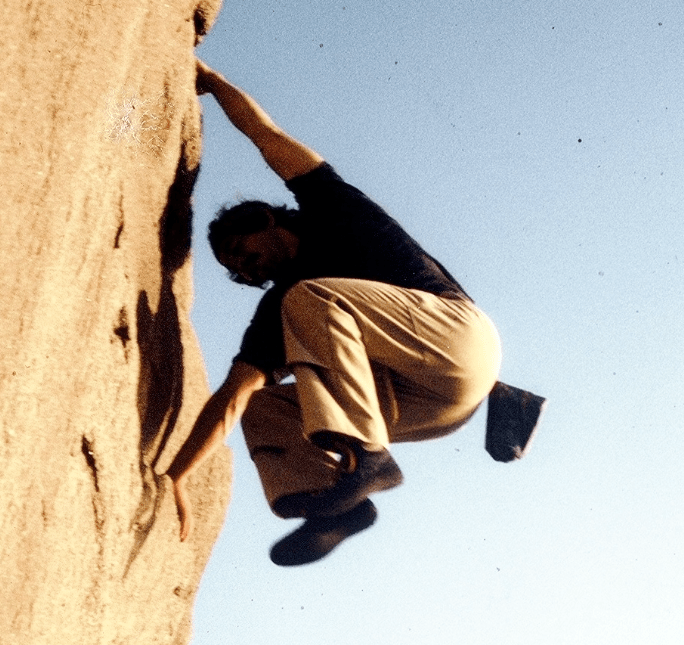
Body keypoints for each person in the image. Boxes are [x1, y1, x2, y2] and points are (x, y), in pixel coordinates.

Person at [166, 59, 544, 567]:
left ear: (264, 219)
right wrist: (177, 476)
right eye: (236, 271)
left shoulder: (331, 210)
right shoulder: (283, 307)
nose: (245, 268)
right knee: (262, 405)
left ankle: (367, 455)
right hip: (432, 407)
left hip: (459, 338)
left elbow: (265, 135)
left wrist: (213, 82)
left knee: (308, 298)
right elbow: (232, 399)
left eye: (241, 250)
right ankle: (338, 508)